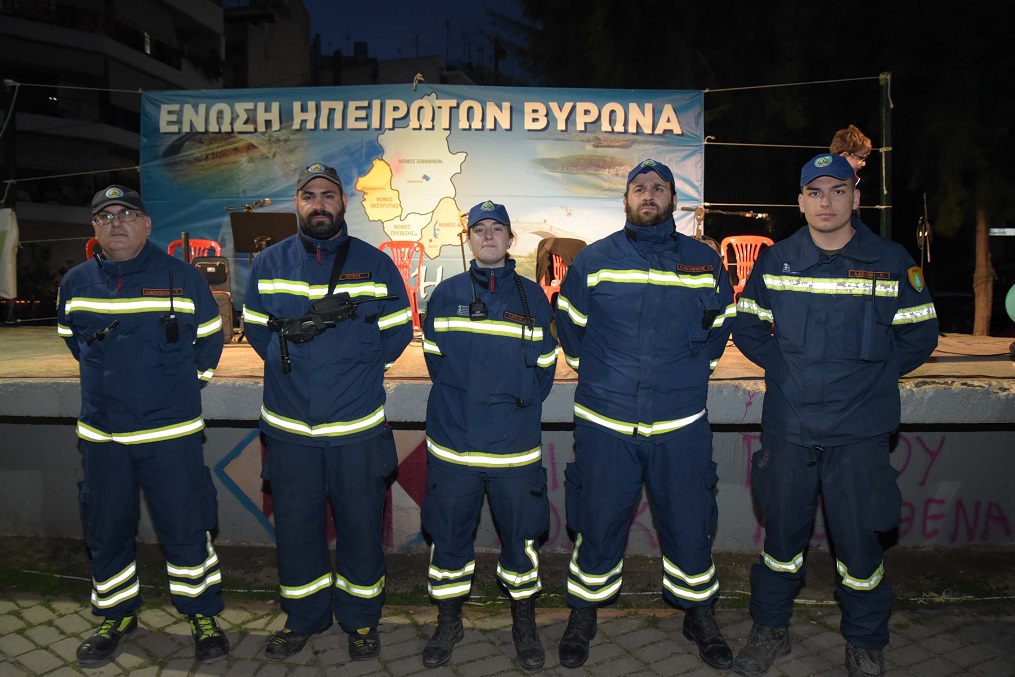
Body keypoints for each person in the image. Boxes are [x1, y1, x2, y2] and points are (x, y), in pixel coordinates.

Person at [731, 154, 939, 677]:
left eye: (838, 190)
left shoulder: (890, 260)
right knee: (781, 544)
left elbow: (920, 332)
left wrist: (872, 377)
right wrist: (785, 368)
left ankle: (866, 643)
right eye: (815, 192)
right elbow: (749, 325)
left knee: (861, 546)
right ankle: (770, 630)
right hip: (791, 428)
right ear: (801, 202)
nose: (827, 202)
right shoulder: (777, 261)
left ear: (856, 197)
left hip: (860, 432)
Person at [554, 159, 738, 670]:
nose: (649, 195)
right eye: (640, 188)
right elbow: (570, 328)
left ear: (674, 200)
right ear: (626, 199)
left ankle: (699, 614)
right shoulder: (594, 260)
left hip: (680, 424)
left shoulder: (704, 262)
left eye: (659, 188)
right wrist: (602, 379)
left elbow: (720, 326)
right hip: (606, 423)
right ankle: (583, 613)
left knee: (690, 524)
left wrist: (689, 376)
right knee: (596, 521)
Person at [242, 163, 413, 661]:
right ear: (298, 203)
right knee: (296, 530)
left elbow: (398, 330)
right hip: (290, 431)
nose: (319, 204)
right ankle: (304, 618)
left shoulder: (375, 264)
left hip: (357, 431)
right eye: (309, 195)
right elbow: (256, 329)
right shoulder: (269, 262)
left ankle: (361, 620)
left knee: (361, 529)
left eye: (328, 195)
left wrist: (356, 368)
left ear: (343, 202)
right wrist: (292, 371)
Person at [57, 185, 229, 666]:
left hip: (170, 436)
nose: (117, 223)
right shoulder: (75, 282)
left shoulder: (182, 276)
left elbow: (209, 340)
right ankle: (116, 615)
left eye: (127, 213)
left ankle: (201, 614)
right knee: (107, 529)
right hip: (103, 437)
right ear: (95, 227)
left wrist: (175, 390)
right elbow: (73, 339)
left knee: (187, 527)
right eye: (105, 216)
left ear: (147, 224)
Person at [419, 201, 558, 671]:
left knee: (522, 540)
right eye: (479, 229)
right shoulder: (446, 295)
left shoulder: (532, 298)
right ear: (469, 239)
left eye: (498, 228)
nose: (489, 236)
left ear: (510, 239)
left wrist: (512, 407)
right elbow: (436, 360)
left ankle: (524, 622)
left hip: (513, 448)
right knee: (448, 539)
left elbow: (544, 369)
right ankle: (448, 621)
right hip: (453, 444)